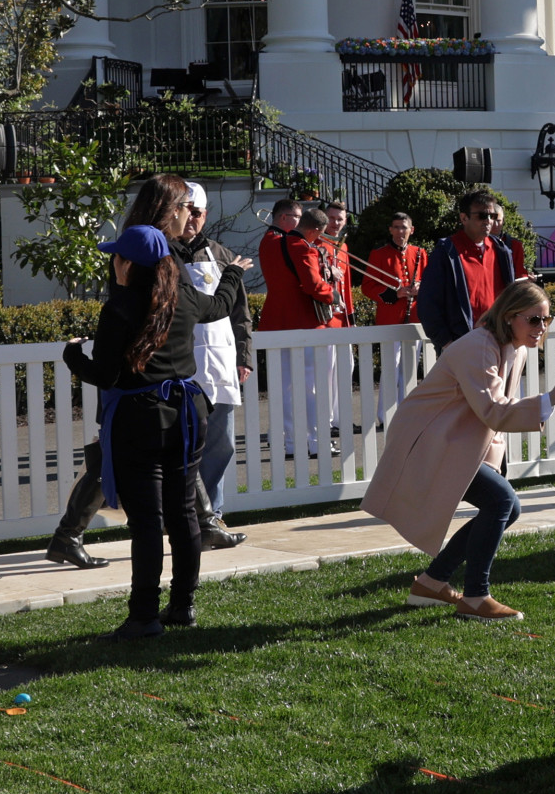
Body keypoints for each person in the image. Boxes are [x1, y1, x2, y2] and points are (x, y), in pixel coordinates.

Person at [364, 280, 555, 621]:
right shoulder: (477, 346)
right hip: (428, 440)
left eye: (547, 320)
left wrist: (494, 461)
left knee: (504, 507)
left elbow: (493, 415)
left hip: (453, 441)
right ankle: (474, 597)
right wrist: (551, 398)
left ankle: (432, 581)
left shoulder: (517, 348)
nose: (541, 328)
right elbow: (495, 410)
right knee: (503, 503)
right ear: (510, 317)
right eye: (534, 320)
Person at [66, 220, 247, 638]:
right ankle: (182, 606)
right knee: (184, 513)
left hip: (140, 417)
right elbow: (218, 306)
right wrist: (234, 271)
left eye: (116, 256)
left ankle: (144, 616)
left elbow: (106, 375)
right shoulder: (182, 295)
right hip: (187, 412)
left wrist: (73, 356)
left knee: (147, 520)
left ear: (126, 263)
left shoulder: (120, 307)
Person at [48, 175, 205, 567]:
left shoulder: (145, 279)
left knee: (146, 501)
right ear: (168, 209)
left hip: (140, 398)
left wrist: (72, 356)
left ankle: (69, 538)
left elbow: (111, 362)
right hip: (154, 398)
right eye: (186, 206)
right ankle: (69, 536)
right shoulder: (156, 268)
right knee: (146, 488)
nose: (191, 215)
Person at [179, 185, 252, 551]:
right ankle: (184, 518)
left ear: (206, 215)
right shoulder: (165, 256)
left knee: (220, 444)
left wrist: (244, 357)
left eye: (197, 212)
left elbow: (240, 313)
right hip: (181, 365)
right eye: (185, 209)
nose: (191, 218)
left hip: (221, 363)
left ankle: (214, 514)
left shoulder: (222, 255)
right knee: (182, 446)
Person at [415, 188, 521, 349]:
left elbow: (510, 297)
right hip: (461, 344)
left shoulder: (502, 251)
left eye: (492, 216)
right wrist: (447, 343)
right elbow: (427, 303)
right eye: (482, 216)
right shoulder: (447, 252)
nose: (488, 221)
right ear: (464, 218)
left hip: (498, 340)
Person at [259, 203, 345, 332]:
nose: (300, 221)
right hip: (302, 320)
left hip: (274, 318)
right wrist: (334, 296)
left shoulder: (268, 240)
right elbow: (313, 284)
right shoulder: (301, 247)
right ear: (283, 217)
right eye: (298, 217)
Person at [359, 212, 428, 328]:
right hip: (389, 318)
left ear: (411, 230)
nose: (400, 231)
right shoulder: (378, 254)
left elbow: (431, 282)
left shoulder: (420, 253)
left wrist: (421, 287)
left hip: (417, 317)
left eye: (404, 227)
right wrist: (395, 294)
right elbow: (367, 287)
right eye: (396, 227)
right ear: (390, 230)